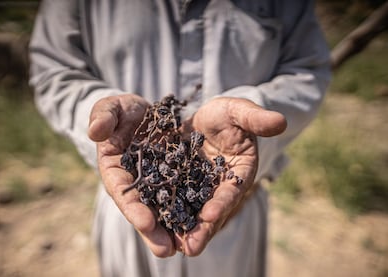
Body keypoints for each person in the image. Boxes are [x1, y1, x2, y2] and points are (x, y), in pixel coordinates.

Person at [29, 0, 331, 276]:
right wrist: (103, 120)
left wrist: (255, 108)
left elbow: (308, 69)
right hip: (127, 212)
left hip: (238, 214)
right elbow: (53, 70)